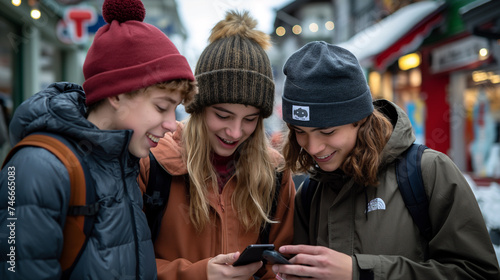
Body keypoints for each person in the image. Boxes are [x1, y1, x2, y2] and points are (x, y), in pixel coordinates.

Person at [0, 0, 196, 278]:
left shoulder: (126, 162)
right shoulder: (38, 167)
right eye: (161, 106)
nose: (171, 124)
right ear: (117, 94)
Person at [272, 41, 500, 279]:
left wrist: (361, 273)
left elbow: (479, 273)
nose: (313, 147)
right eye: (300, 131)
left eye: (327, 132)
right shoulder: (311, 191)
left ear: (359, 120)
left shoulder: (428, 172)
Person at [138, 10, 295, 280]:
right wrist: (198, 274)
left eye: (250, 119)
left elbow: (282, 264)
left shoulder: (275, 173)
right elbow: (125, 264)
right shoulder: (151, 163)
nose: (235, 132)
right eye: (222, 115)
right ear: (198, 108)